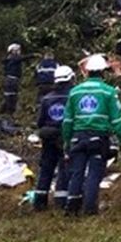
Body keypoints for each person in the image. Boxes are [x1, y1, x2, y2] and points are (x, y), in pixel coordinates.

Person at [63, 54, 121, 215]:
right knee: (94, 173)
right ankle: (89, 208)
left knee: (77, 172)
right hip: (99, 138)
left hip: (78, 137)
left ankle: (72, 207)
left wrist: (66, 141)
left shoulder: (74, 92)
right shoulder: (108, 92)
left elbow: (67, 120)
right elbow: (117, 120)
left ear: (88, 72)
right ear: (103, 72)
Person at [32, 64, 75, 211]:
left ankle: (39, 201)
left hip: (48, 136)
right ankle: (61, 201)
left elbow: (40, 122)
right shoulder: (73, 96)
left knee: (46, 168)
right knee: (64, 168)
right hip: (65, 136)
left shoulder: (47, 98)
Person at [0, 43, 23, 115]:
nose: (19, 52)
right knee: (12, 97)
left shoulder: (9, 59)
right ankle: (8, 113)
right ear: (13, 51)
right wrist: (33, 55)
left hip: (9, 79)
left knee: (8, 96)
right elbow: (23, 58)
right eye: (17, 50)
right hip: (12, 80)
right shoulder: (14, 58)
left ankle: (3, 112)